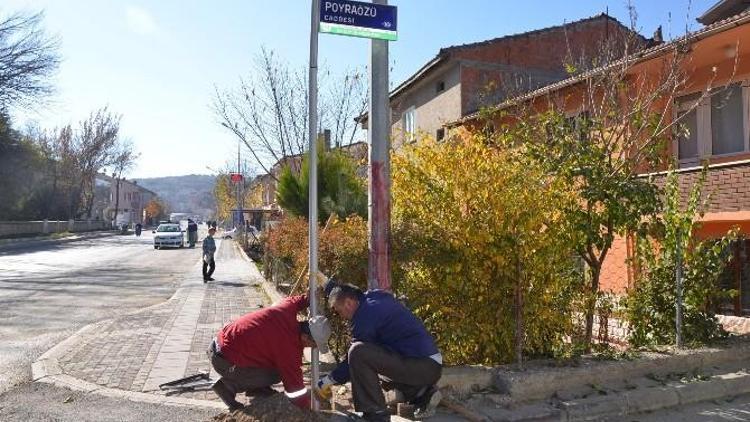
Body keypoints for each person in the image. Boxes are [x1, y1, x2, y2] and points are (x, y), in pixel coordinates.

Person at [316, 282, 443, 422]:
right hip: (428, 363)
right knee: (376, 370)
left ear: (348, 303)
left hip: (422, 366)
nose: (341, 316)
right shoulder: (373, 296)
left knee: (358, 353)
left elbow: (351, 362)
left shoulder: (365, 319)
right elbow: (347, 290)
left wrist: (327, 381)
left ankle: (375, 414)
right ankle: (423, 394)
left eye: (339, 311)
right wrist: (328, 284)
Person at [208, 295, 331, 411]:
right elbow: (295, 390)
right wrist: (311, 406)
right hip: (224, 360)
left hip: (220, 343)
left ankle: (257, 388)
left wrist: (308, 298)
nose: (314, 347)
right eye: (314, 344)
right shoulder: (288, 348)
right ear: (305, 337)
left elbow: (296, 300)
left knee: (270, 360)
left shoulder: (286, 310)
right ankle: (228, 386)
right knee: (278, 373)